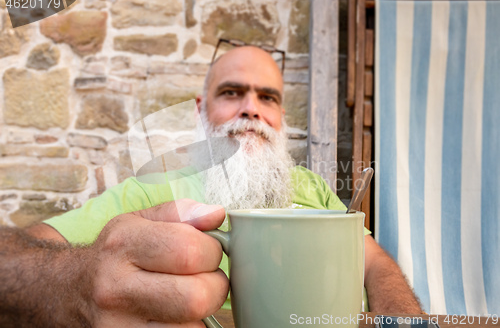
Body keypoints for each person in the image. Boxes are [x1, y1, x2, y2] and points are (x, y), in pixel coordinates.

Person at [26, 44, 423, 322]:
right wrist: (86, 281)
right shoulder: (151, 191)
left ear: (280, 116)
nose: (251, 108)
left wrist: (405, 322)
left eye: (267, 98)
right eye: (232, 93)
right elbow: (31, 250)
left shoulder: (312, 188)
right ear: (202, 112)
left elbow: (373, 260)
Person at [0, 200, 228, 327]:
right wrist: (79, 281)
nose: (252, 111)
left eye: (266, 109)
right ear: (199, 112)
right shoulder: (153, 186)